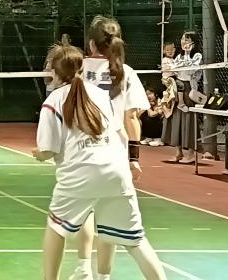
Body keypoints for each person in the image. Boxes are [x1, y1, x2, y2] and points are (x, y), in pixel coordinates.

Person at [34, 44, 166, 280]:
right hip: (116, 172)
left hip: (80, 175)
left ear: (54, 71)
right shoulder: (100, 94)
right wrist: (130, 160)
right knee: (136, 241)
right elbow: (119, 132)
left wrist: (38, 153)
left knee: (56, 227)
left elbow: (48, 150)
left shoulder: (53, 102)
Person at [72, 15, 150, 280]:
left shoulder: (81, 72)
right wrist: (134, 158)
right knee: (111, 221)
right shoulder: (126, 73)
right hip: (115, 157)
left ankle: (83, 269)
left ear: (92, 44)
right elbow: (132, 118)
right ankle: (103, 276)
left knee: (84, 211)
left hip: (84, 153)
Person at [163, 31, 203, 165]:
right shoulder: (178, 56)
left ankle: (190, 154)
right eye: (182, 39)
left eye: (186, 39)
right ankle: (178, 152)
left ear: (193, 42)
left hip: (189, 90)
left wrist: (186, 55)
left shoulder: (197, 55)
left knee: (188, 120)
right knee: (175, 119)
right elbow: (173, 69)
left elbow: (191, 70)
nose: (183, 42)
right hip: (177, 87)